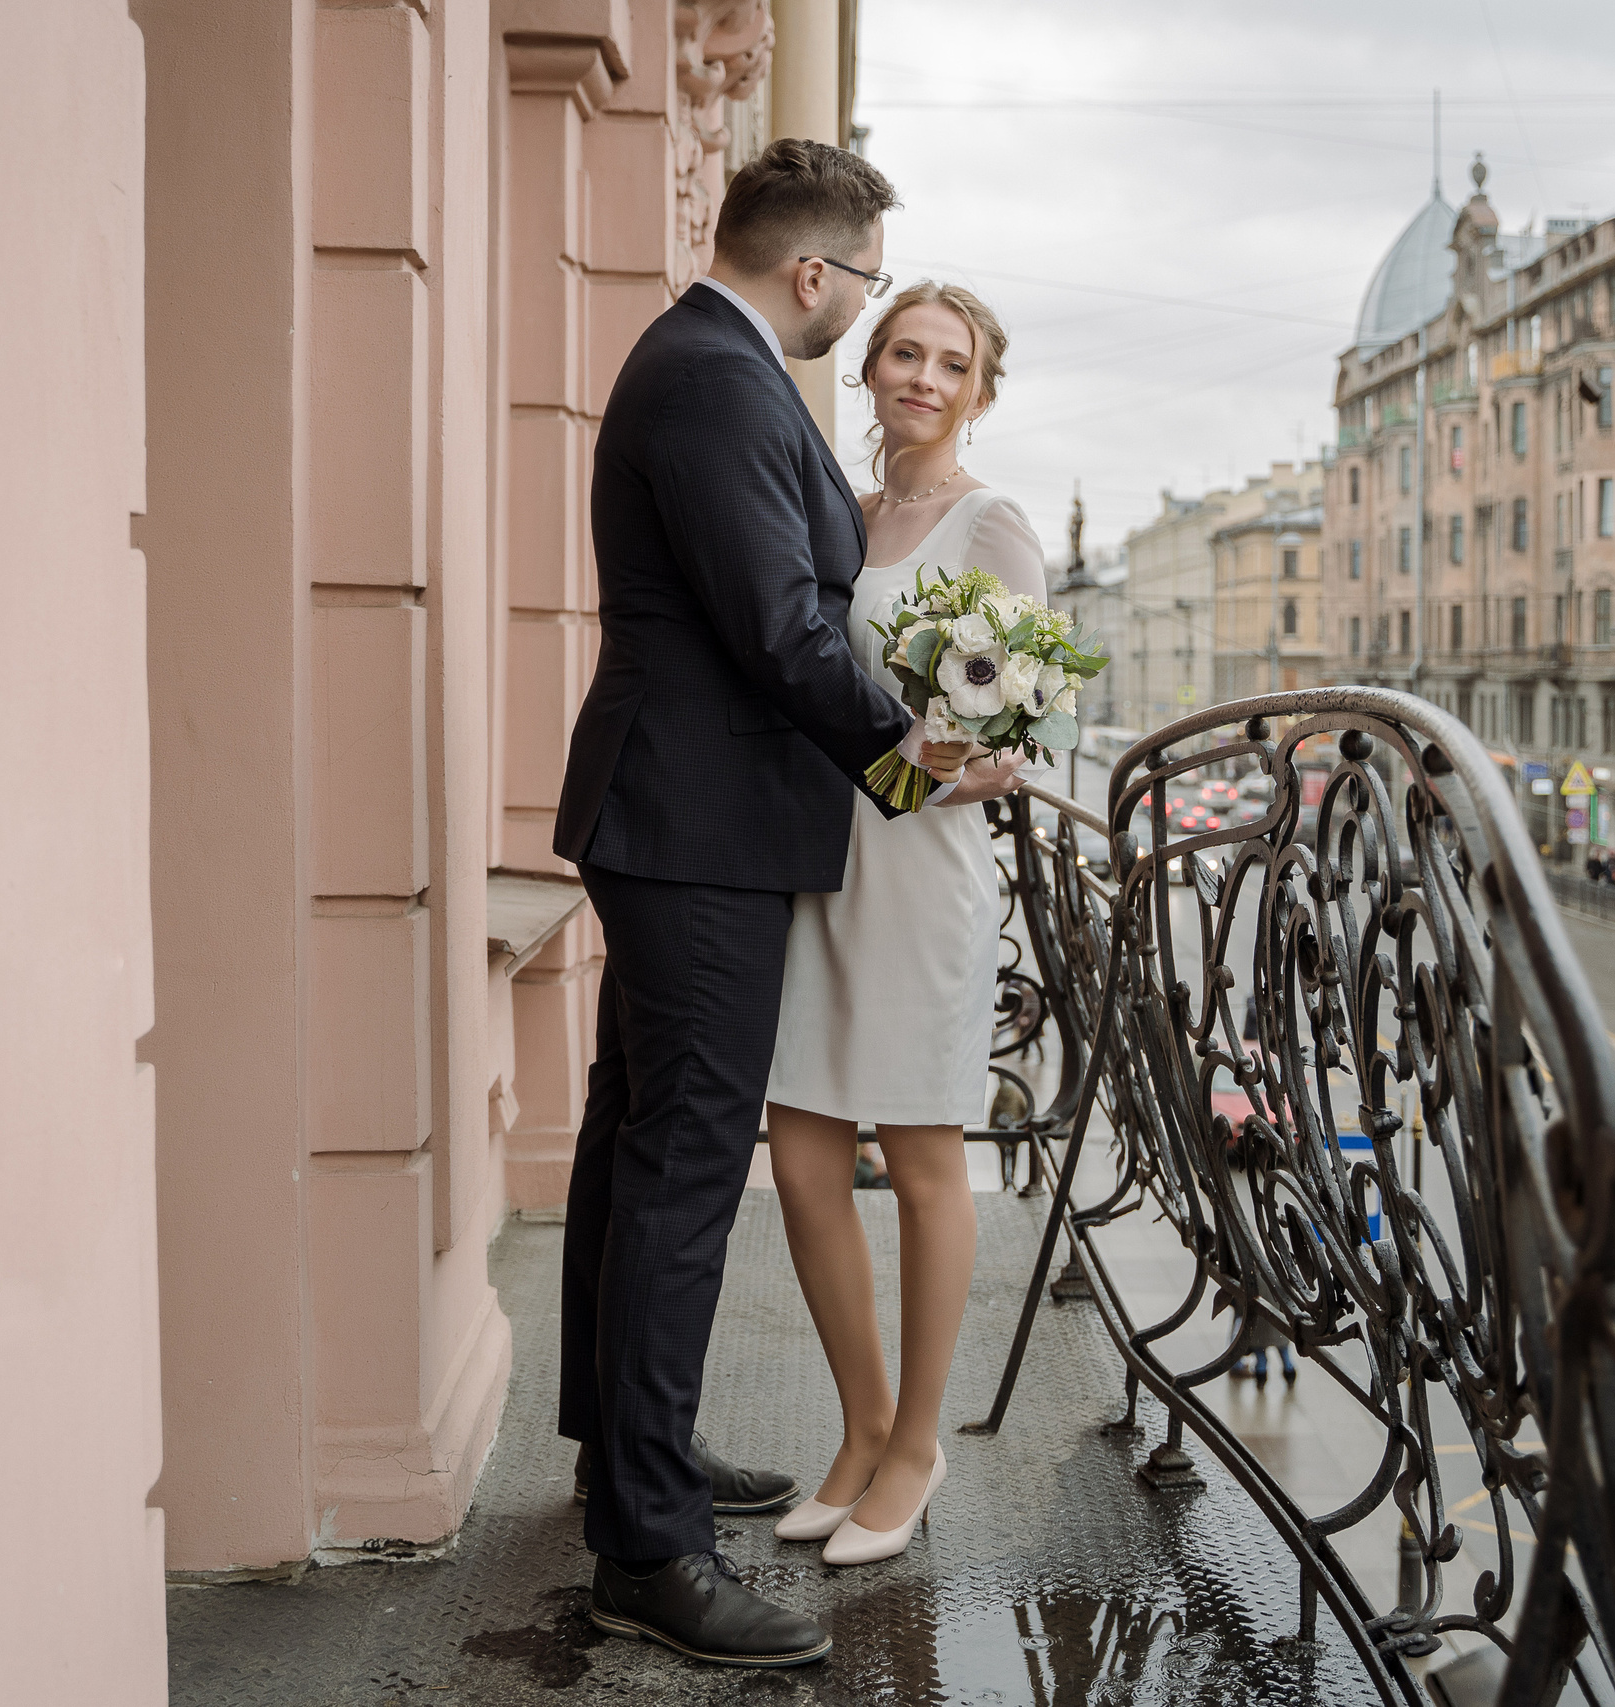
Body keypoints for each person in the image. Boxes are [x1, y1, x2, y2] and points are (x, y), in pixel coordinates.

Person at [550, 139, 1019, 1668]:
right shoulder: (717, 377)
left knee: (637, 1137)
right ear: (815, 273)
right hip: (699, 828)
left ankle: (630, 1459)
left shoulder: (713, 368)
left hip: (694, 821)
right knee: (680, 1168)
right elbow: (780, 630)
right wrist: (905, 770)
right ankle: (648, 1550)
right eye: (868, 291)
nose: (866, 317)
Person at [766, 281, 1037, 1569]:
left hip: (921, 877)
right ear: (870, 368)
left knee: (925, 1163)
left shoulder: (992, 525)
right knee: (802, 1157)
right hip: (814, 866)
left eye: (951, 362)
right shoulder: (844, 514)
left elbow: (1008, 747)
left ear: (979, 390)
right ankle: (862, 1426)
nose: (924, 377)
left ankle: (918, 1446)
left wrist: (883, 771)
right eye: (905, 354)